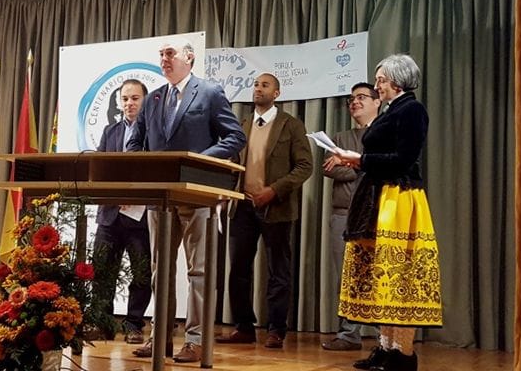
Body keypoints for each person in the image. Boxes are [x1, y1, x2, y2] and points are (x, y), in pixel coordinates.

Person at [126, 37, 246, 363]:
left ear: (189, 58)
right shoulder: (152, 99)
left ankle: (195, 340)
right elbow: (134, 144)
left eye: (170, 53)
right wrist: (143, 168)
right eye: (161, 54)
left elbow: (235, 137)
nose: (164, 59)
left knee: (199, 272)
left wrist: (197, 163)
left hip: (196, 195)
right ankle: (160, 337)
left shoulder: (209, 93)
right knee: (158, 270)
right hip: (159, 198)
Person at [325, 54, 443, 371]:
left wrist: (358, 160)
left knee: (397, 275)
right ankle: (385, 346)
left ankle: (403, 354)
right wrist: (358, 160)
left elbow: (403, 159)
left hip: (399, 197)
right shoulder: (393, 110)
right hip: (379, 197)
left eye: (380, 79)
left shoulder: (412, 109)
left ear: (397, 80)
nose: (377, 85)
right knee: (380, 277)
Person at [215, 72, 313, 349]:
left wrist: (273, 190)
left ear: (277, 93)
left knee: (278, 271)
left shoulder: (291, 125)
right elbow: (233, 161)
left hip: (277, 208)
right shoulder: (243, 124)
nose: (258, 88)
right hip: (243, 207)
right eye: (256, 84)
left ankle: (276, 329)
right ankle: (244, 327)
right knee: (239, 270)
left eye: (264, 85)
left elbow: (305, 167)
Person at [320, 83, 381, 351]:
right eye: (351, 98)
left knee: (379, 275)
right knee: (346, 277)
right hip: (343, 216)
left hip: (378, 216)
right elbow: (329, 170)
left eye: (361, 97)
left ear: (377, 102)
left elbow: (381, 169)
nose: (354, 102)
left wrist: (349, 162)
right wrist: (360, 164)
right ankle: (348, 334)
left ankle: (385, 337)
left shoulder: (384, 133)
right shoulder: (340, 138)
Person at [93, 79, 151, 344]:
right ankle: (103, 323)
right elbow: (100, 166)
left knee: (140, 274)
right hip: (109, 214)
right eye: (125, 98)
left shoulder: (154, 133)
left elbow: (155, 173)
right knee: (103, 270)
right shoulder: (110, 131)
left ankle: (133, 324)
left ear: (145, 101)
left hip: (139, 217)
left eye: (135, 98)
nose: (129, 103)